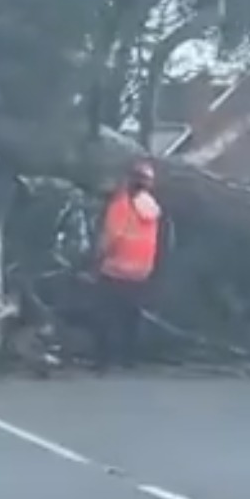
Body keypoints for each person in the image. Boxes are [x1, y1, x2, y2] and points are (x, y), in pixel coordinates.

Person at [90, 158, 164, 370]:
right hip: (141, 272)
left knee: (103, 316)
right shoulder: (152, 207)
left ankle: (102, 361)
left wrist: (95, 262)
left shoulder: (121, 205)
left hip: (116, 269)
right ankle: (128, 359)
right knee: (130, 317)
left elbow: (110, 238)